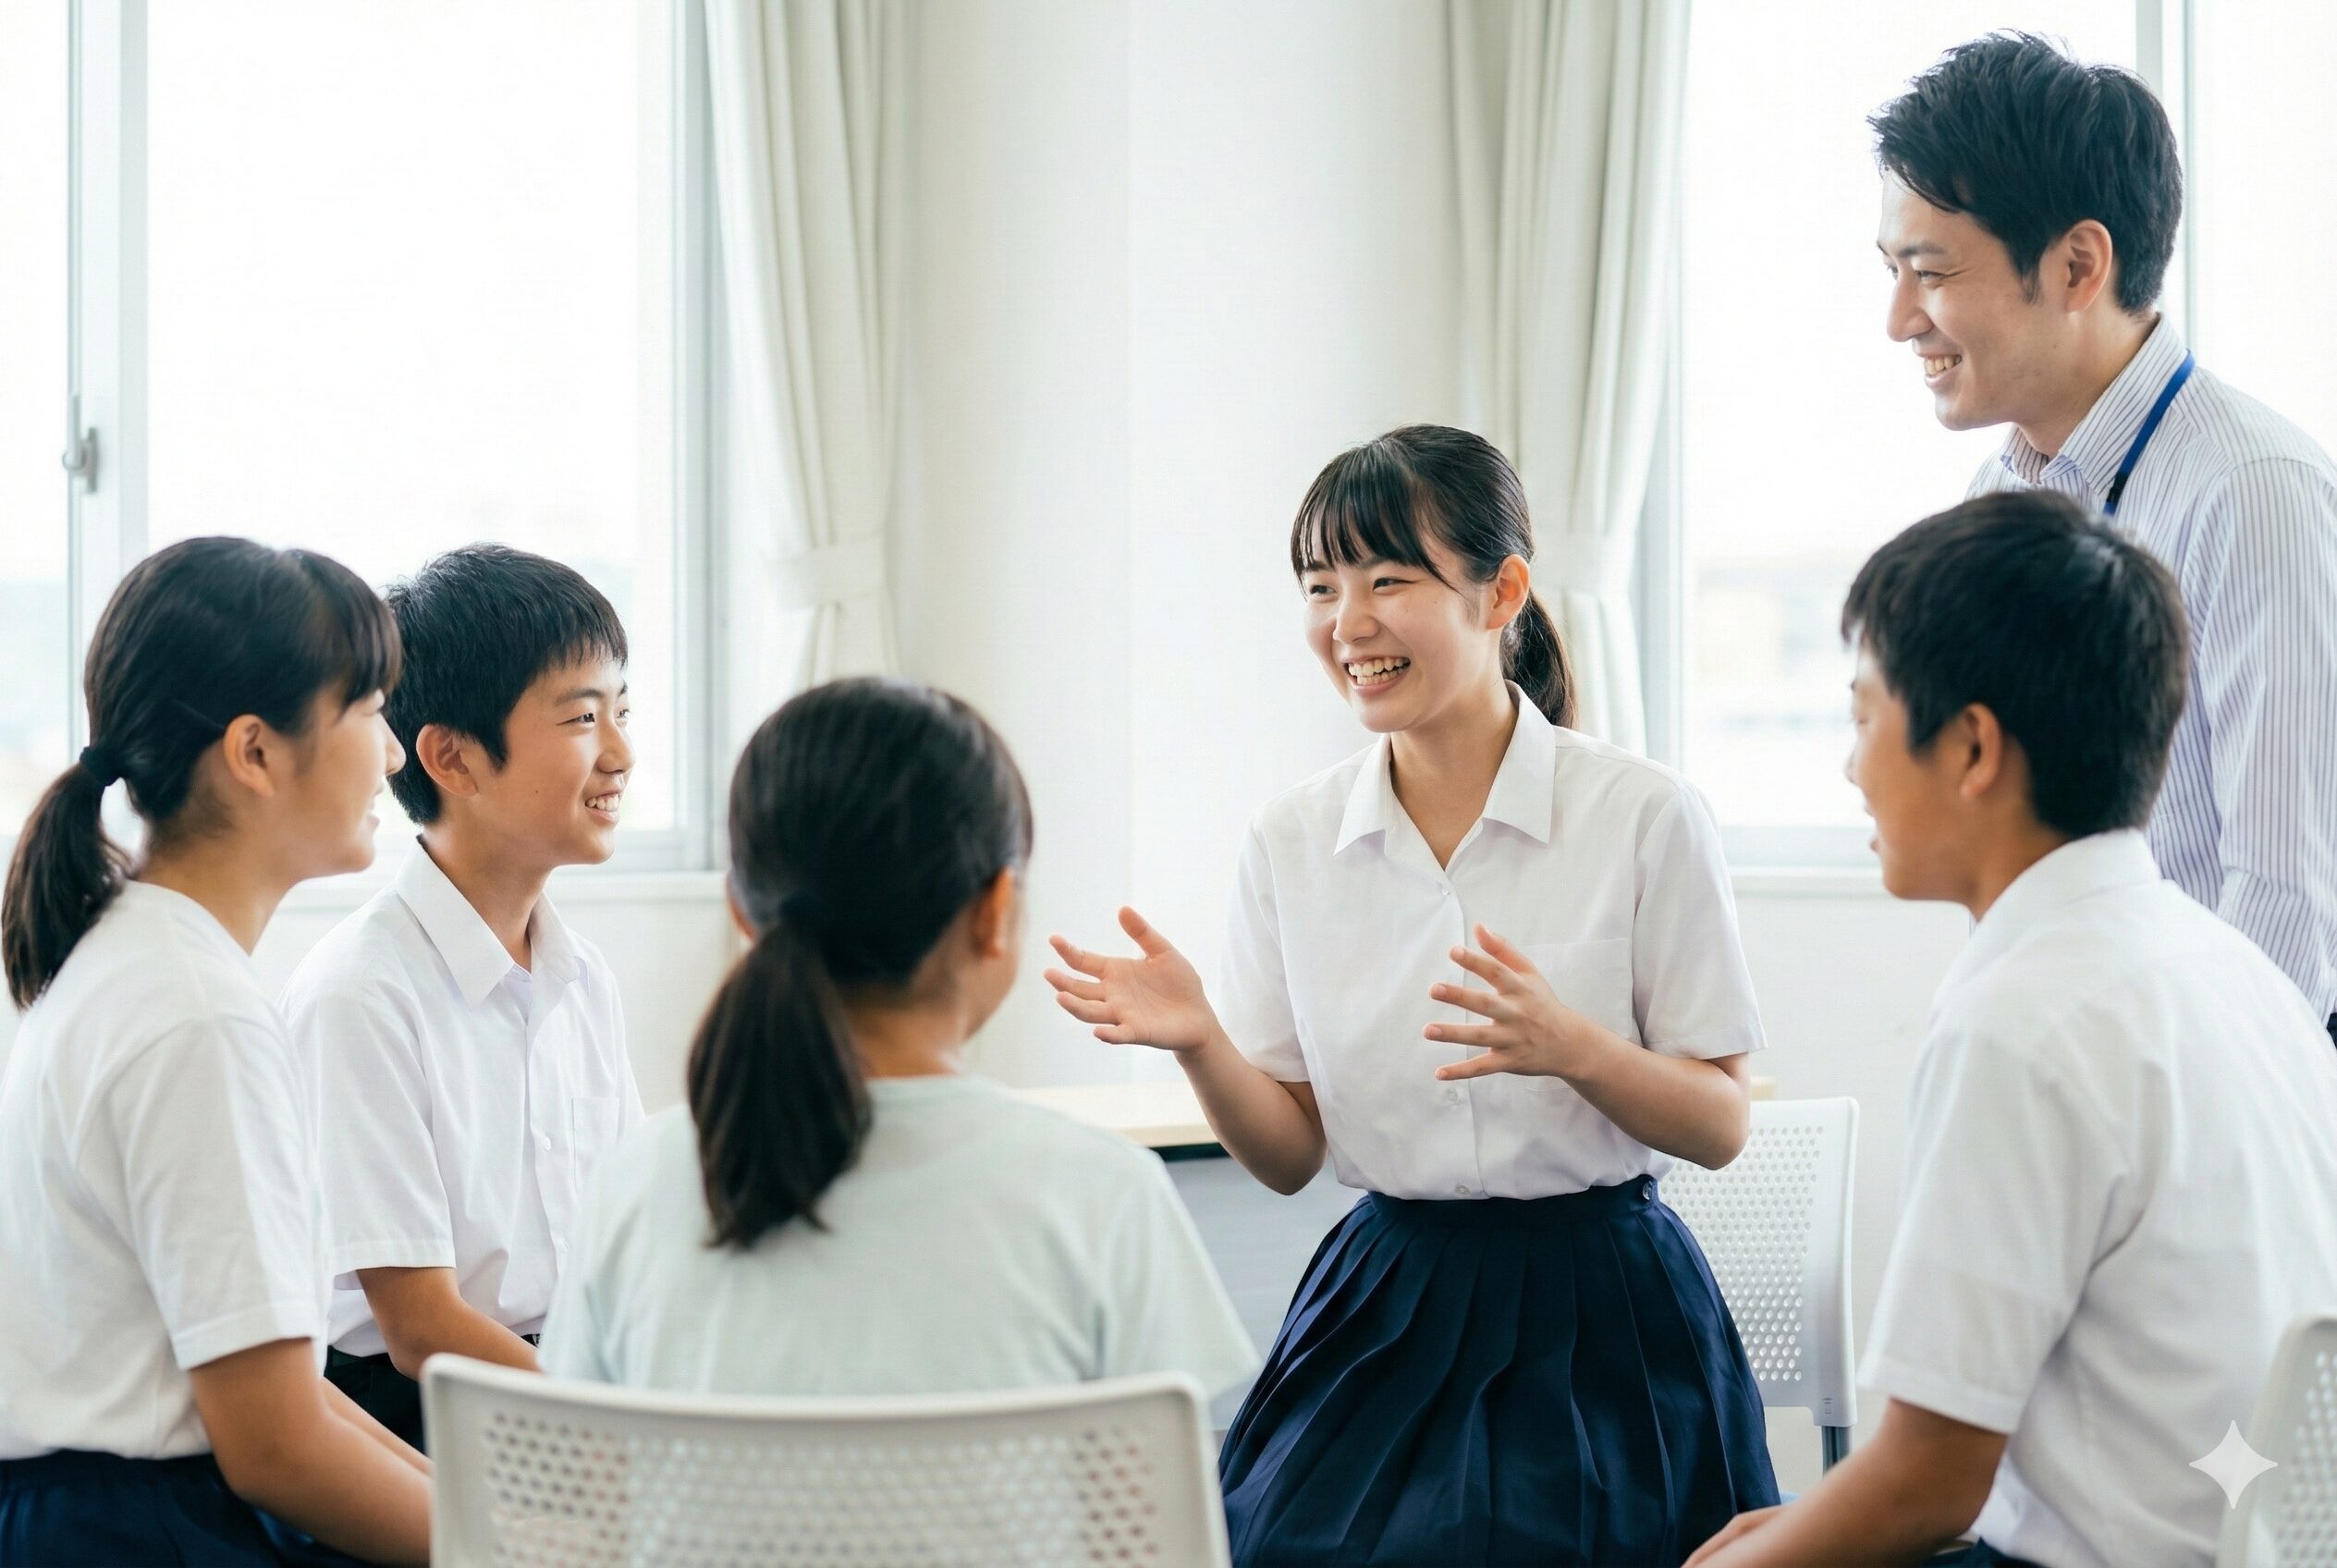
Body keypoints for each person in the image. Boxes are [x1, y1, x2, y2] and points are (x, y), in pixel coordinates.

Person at [1048, 425, 1778, 1567]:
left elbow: (1721, 1123)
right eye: (1319, 586)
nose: (1347, 624)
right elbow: (1289, 1155)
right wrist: (1199, 1042)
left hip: (1603, 1312)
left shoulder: (1641, 814)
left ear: (1503, 593)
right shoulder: (1290, 838)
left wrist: (1575, 1048)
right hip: (1386, 1302)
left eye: (1388, 580)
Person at [1688, 492, 2337, 1568]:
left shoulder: (2020, 1023)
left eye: (1862, 718)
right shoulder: (2233, 971)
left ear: (1972, 746)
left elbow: (1930, 1480)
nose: (1850, 768)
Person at [540, 677, 1254, 1403]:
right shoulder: (1105, 1196)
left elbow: (569, 1493)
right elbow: (1163, 1505)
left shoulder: (630, 1192)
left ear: (744, 914)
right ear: (995, 911)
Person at [1876, 31, 2337, 1043]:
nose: (1899, 318)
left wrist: (2178, 1117)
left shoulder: (2249, 491)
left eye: (1930, 272)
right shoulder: (1991, 497)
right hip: (2086, 1056)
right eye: (1892, 272)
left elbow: (2286, 901)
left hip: (2223, 1084)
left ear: (2077, 264)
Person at [0, 538, 431, 1565]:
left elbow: (289, 1400)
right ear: (255, 752)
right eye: (371, 711)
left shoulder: (136, 954)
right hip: (140, 1530)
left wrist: (511, 1519)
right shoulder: (198, 1015)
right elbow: (277, 1448)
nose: (396, 752)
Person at [279, 545, 642, 1452]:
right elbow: (419, 1327)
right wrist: (632, 1422)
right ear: (451, 757)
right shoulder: (360, 992)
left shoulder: (581, 977)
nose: (621, 755)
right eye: (582, 718)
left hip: (566, 1373)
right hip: (426, 1408)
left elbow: (632, 1236)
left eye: (623, 713)